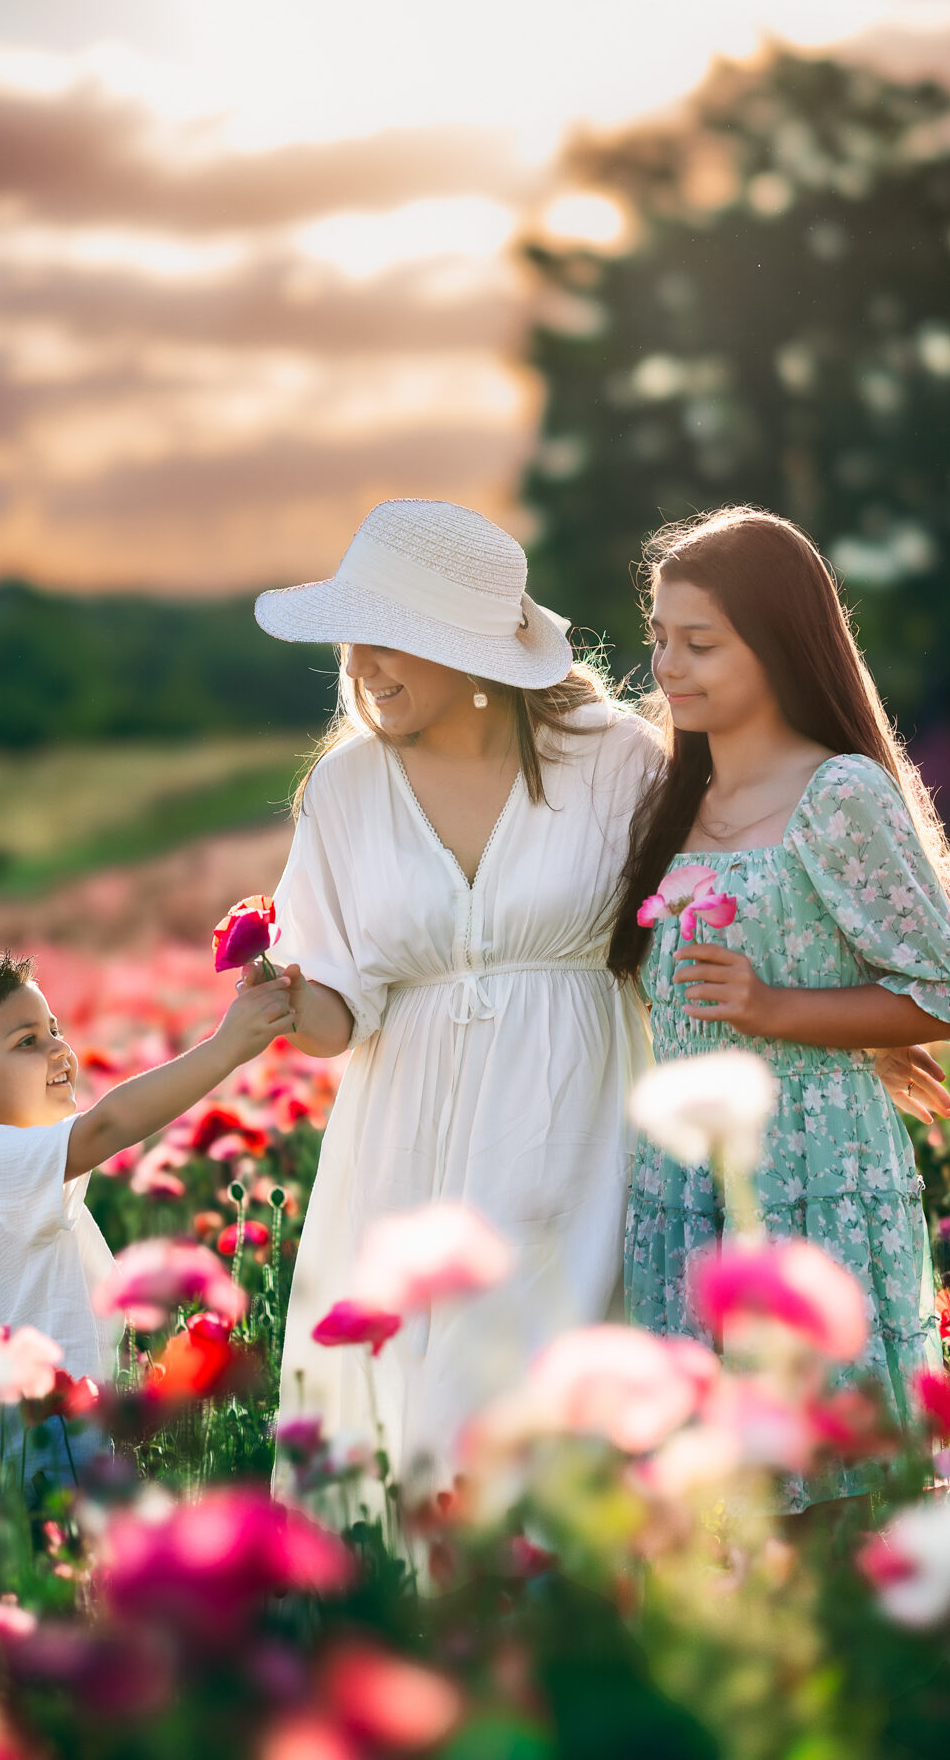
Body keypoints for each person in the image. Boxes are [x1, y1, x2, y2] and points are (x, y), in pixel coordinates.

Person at [252, 498, 663, 1499]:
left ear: (474, 650)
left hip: (572, 1117)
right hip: (406, 1133)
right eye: (353, 639)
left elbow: (681, 934)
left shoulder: (619, 760)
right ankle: (416, 1628)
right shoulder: (345, 789)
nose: (363, 666)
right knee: (404, 1401)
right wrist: (282, 991)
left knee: (543, 1398)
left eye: (392, 641)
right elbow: (340, 1011)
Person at [610, 506, 950, 1510]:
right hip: (687, 1186)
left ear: (777, 644)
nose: (668, 664)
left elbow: (948, 993)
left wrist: (776, 1004)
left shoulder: (837, 792)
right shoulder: (666, 797)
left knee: (828, 1485)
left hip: (813, 1172)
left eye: (700, 642)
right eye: (658, 637)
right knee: (713, 1491)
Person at [0, 950, 293, 1502]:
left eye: (54, 1030)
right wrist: (226, 1048)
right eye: (27, 1041)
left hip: (33, 1417)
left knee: (37, 1574)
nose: (60, 1049)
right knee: (52, 1568)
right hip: (36, 1421)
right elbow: (108, 1125)